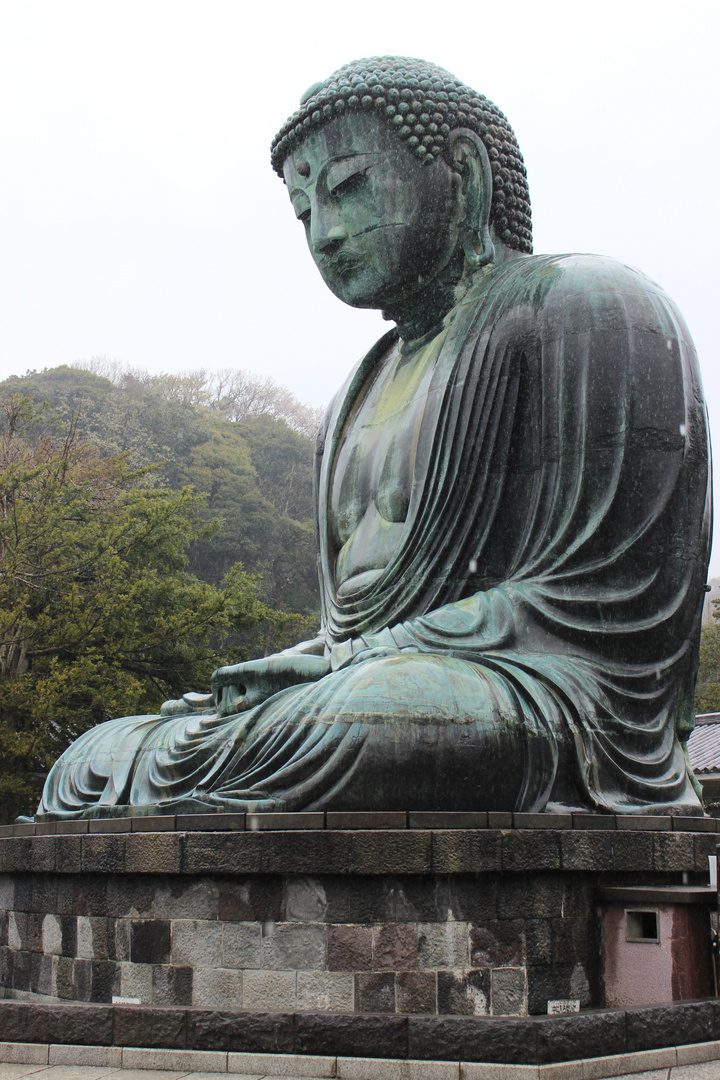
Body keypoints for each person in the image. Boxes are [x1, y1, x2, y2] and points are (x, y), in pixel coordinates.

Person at [37, 57, 711, 819]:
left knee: (364, 720)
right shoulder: (354, 392)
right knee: (94, 756)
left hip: (544, 698)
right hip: (372, 685)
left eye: (349, 187)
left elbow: (606, 606)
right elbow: (350, 621)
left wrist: (349, 661)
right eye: (304, 213)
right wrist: (315, 659)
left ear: (461, 171)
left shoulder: (588, 305)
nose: (325, 235)